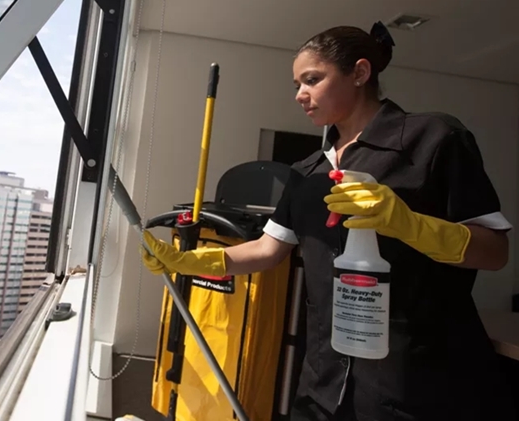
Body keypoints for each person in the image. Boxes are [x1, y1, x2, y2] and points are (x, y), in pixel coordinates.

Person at [139, 22, 516, 421]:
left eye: (312, 80)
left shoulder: (432, 139)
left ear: (359, 73)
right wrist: (188, 261)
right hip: (325, 388)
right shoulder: (308, 172)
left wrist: (411, 225)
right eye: (297, 84)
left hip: (423, 385)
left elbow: (495, 252)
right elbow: (268, 250)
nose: (300, 94)